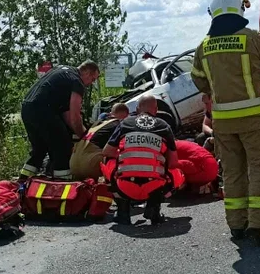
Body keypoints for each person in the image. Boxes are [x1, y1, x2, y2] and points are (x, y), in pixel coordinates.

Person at [190, 0, 260, 245]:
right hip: (254, 121)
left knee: (233, 171)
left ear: (212, 14)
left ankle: (238, 225)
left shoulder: (203, 47)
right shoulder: (251, 38)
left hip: (223, 124)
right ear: (240, 9)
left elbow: (199, 81)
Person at [101, 94, 182, 225]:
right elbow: (173, 163)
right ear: (155, 110)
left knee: (107, 161)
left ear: (138, 109)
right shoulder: (164, 126)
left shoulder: (125, 123)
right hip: (154, 186)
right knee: (176, 172)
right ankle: (154, 207)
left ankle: (123, 212)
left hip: (125, 186)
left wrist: (126, 156)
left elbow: (107, 151)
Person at [20, 60, 100, 181]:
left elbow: (67, 114)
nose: (91, 83)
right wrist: (85, 138)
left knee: (39, 149)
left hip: (27, 108)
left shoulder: (61, 70)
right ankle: (62, 183)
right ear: (87, 72)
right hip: (44, 111)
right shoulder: (77, 81)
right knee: (63, 148)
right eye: (93, 79)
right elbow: (74, 118)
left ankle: (22, 182)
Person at [70, 102, 129, 180]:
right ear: (126, 115)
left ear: (111, 113)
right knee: (119, 153)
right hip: (91, 165)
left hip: (73, 164)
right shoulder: (119, 124)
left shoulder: (98, 123)